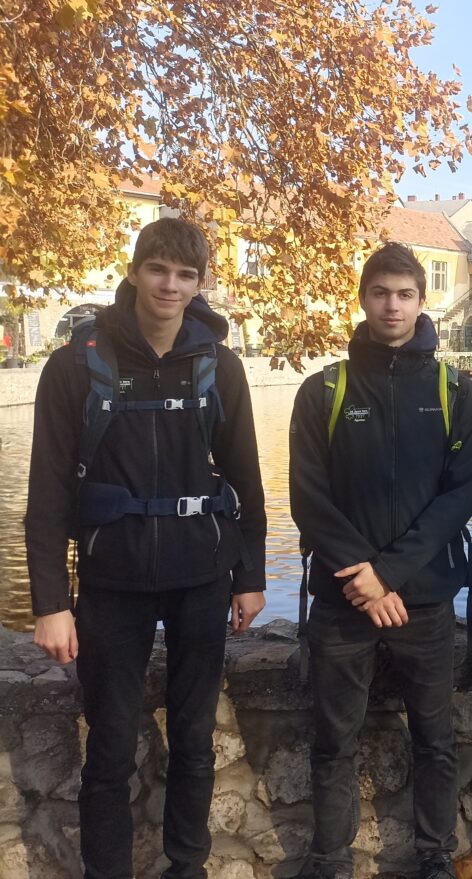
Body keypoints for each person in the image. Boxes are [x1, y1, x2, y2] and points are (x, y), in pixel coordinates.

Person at [26, 217, 268, 878]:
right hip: (112, 581)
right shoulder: (77, 365)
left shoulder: (219, 366)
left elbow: (246, 479)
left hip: (201, 578)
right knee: (108, 747)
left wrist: (250, 575)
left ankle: (187, 866)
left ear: (199, 284)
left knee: (194, 740)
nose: (170, 285)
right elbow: (46, 494)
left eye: (186, 275)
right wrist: (50, 602)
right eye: (158, 269)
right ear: (133, 272)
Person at [289, 242, 472, 879]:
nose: (392, 306)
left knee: (434, 739)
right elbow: (308, 497)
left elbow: (458, 498)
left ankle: (435, 855)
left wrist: (388, 574)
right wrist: (364, 577)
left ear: (422, 301)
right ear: (363, 300)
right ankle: (330, 860)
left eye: (404, 294)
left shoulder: (454, 390)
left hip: (423, 597)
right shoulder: (325, 389)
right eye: (380, 293)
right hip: (343, 597)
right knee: (332, 741)